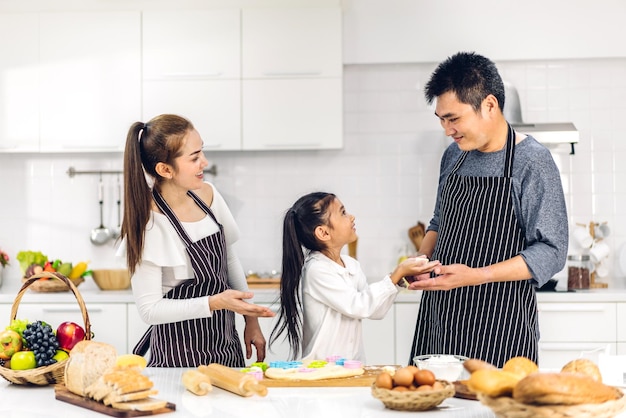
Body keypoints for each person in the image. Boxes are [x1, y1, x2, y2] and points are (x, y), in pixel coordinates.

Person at [407, 52, 568, 368]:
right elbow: (440, 220)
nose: (447, 130)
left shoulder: (532, 161)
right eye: (441, 119)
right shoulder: (453, 157)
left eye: (454, 118)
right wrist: (421, 262)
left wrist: (476, 276)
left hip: (501, 324)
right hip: (441, 318)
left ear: (490, 105)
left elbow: (551, 251)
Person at [118, 114, 274, 368]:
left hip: (226, 347)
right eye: (194, 157)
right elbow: (149, 310)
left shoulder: (209, 195)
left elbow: (229, 258)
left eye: (202, 151)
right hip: (179, 357)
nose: (205, 162)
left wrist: (251, 320)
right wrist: (214, 302)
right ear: (165, 169)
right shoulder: (148, 224)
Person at [269, 192, 440, 362]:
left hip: (350, 366)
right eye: (343, 213)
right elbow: (359, 305)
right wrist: (396, 274)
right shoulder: (317, 269)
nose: (351, 217)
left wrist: (400, 281)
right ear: (323, 233)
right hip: (321, 368)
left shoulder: (351, 265)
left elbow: (375, 310)